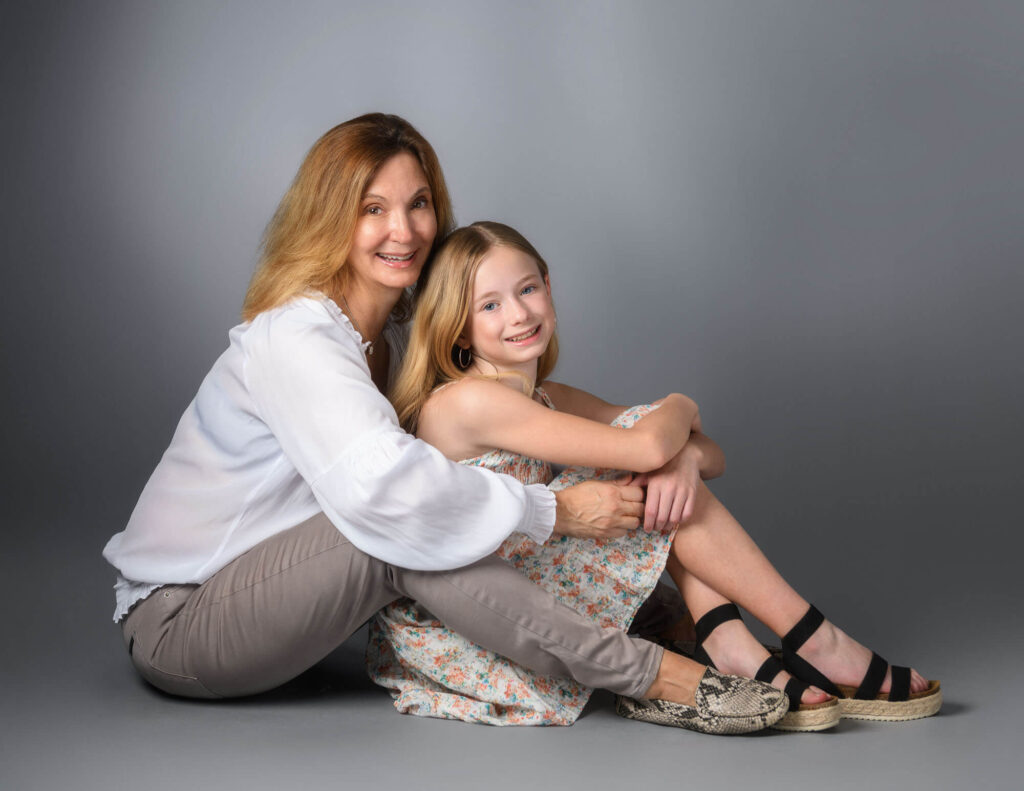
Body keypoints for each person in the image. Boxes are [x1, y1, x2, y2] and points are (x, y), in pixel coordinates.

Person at [101, 113, 789, 736]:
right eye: (373, 209)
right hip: (183, 623)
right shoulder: (297, 337)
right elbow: (392, 497)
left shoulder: (393, 336)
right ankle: (654, 676)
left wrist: (672, 451)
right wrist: (556, 511)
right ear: (329, 219)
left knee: (464, 502)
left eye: (419, 203)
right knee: (397, 534)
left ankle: (687, 625)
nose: (404, 231)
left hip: (282, 597)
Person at [370, 221, 942, 730]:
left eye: (526, 289)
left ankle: (732, 640)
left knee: (658, 458)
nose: (518, 314)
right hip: (472, 621)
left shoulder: (545, 395)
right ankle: (811, 640)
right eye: (490, 306)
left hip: (520, 580)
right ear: (459, 330)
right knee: (644, 452)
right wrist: (681, 404)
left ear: (548, 284)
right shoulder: (467, 402)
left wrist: (683, 460)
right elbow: (647, 444)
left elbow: (709, 456)